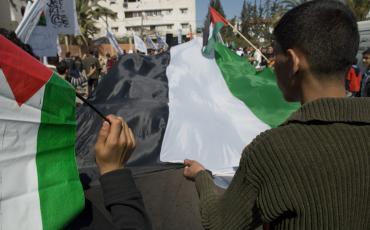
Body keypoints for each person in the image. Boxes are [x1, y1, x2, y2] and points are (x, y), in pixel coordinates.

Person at [183, 1, 370, 229]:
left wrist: (202, 176)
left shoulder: (271, 150)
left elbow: (219, 223)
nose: (272, 65)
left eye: (274, 55)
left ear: (292, 61)